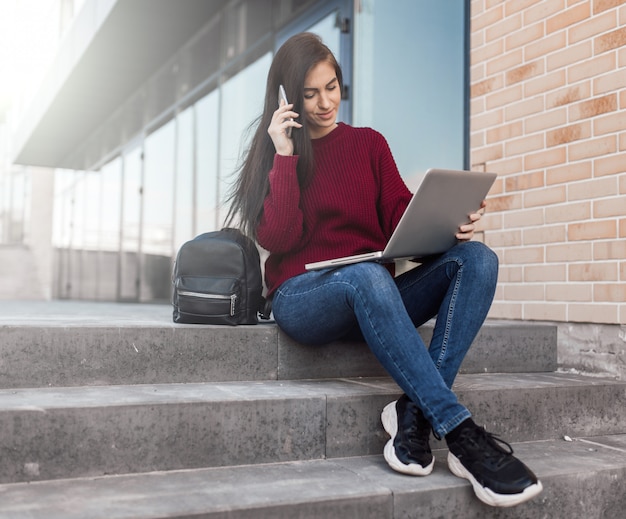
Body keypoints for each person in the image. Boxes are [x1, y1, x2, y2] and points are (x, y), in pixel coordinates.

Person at [225, 32, 542, 508]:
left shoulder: (369, 145)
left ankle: (412, 413)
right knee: (367, 274)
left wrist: (448, 225)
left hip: (376, 299)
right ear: (287, 97)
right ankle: (461, 434)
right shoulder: (278, 157)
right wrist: (285, 157)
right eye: (309, 94)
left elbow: (400, 216)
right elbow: (278, 238)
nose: (324, 102)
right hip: (305, 298)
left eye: (331, 87)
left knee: (478, 259)